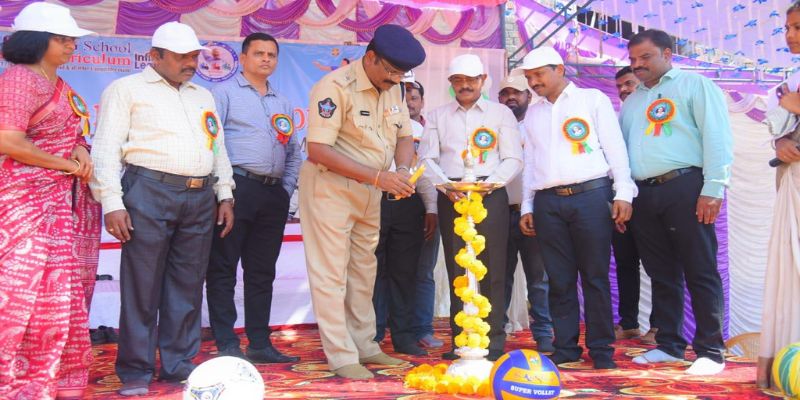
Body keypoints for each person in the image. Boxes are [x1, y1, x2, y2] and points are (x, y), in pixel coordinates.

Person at [90, 22, 235, 396]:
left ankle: (178, 365)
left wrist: (224, 193)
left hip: (199, 197)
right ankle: (136, 371)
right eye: (182, 57)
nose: (191, 63)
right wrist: (112, 203)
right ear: (155, 56)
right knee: (142, 287)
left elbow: (217, 147)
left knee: (188, 285)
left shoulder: (203, 95)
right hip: (147, 192)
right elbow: (104, 150)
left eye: (194, 56)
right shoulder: (125, 90)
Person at [299, 24, 426, 380]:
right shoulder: (333, 87)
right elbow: (318, 150)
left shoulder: (394, 88)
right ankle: (341, 355)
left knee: (363, 272)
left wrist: (402, 170)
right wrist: (378, 177)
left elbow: (405, 136)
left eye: (401, 75)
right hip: (330, 188)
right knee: (331, 274)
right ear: (370, 57)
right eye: (391, 72)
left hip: (372, 190)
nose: (396, 80)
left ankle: (365, 344)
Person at [0, 3, 99, 399]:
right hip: (23, 203)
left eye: (72, 39)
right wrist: (65, 164)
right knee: (18, 291)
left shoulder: (60, 83)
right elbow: (9, 141)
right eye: (63, 39)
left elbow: (72, 133)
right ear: (37, 41)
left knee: (55, 294)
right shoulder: (18, 80)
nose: (72, 45)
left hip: (57, 203)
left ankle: (48, 378)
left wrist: (80, 150)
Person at [515, 46, 636, 370]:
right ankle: (566, 347)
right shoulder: (533, 114)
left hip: (591, 196)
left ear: (559, 69)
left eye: (539, 75)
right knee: (559, 279)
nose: (533, 83)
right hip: (547, 201)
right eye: (529, 77)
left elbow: (615, 148)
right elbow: (530, 163)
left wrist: (624, 192)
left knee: (595, 276)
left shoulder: (592, 100)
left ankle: (601, 349)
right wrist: (527, 205)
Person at [620, 29, 732, 375]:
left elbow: (717, 136)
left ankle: (711, 351)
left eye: (645, 57)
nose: (637, 65)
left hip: (685, 186)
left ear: (668, 54)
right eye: (633, 59)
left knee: (700, 268)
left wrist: (713, 188)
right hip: (643, 193)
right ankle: (669, 345)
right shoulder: (633, 101)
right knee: (660, 272)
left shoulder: (694, 85)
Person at [418, 54, 523, 362]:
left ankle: (492, 342)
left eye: (470, 80)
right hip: (451, 195)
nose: (464, 85)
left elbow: (513, 158)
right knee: (458, 268)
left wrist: (487, 186)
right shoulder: (438, 116)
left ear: (483, 81)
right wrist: (446, 187)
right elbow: (426, 159)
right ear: (451, 83)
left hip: (490, 194)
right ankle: (461, 340)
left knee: (493, 267)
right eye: (457, 81)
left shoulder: (501, 113)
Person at [205, 33, 301, 364]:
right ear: (243, 58)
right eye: (259, 53)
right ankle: (226, 343)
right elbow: (212, 142)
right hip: (235, 190)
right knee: (223, 268)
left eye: (271, 55)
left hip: (273, 193)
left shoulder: (282, 102)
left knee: (262, 271)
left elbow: (294, 150)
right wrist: (222, 192)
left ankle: (259, 342)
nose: (266, 59)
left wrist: (285, 189)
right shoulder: (223, 93)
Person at [373, 77, 444, 350]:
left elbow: (423, 172)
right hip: (373, 201)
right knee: (372, 272)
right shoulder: (367, 120)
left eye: (406, 93)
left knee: (404, 273)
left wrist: (431, 208)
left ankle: (403, 336)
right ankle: (373, 334)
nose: (400, 97)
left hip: (407, 202)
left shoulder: (418, 130)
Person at [757, 1, 800, 388]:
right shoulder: (790, 78)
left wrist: (795, 104)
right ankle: (791, 365)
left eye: (798, 27)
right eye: (787, 28)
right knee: (792, 265)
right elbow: (779, 128)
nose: (790, 35)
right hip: (793, 180)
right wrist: (780, 142)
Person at [497, 75, 555, 353]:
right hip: (500, 213)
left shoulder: (538, 125)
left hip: (532, 213)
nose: (510, 97)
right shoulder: (493, 127)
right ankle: (496, 334)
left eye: (516, 92)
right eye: (505, 93)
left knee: (538, 279)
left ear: (528, 96)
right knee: (499, 277)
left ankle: (544, 335)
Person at [613, 66, 659, 344]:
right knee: (625, 262)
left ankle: (659, 326)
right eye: (619, 86)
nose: (624, 90)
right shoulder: (617, 117)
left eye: (628, 83)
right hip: (621, 198)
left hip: (651, 194)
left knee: (657, 263)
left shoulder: (654, 114)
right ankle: (628, 323)